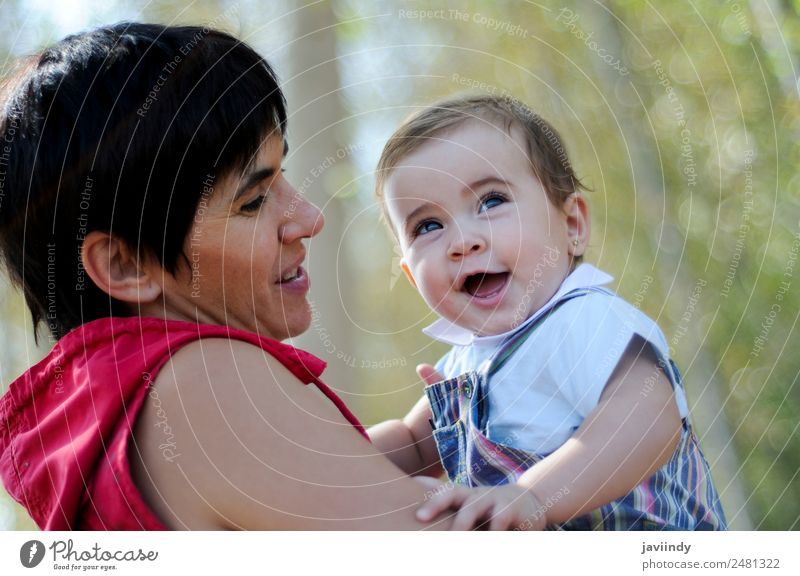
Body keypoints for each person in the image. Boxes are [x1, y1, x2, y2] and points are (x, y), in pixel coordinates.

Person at [0, 22, 453, 531]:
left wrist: (427, 442)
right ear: (125, 266)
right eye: (254, 201)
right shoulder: (205, 382)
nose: (309, 219)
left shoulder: (113, 417)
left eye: (284, 176)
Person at [368, 94, 727, 530]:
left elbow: (647, 415)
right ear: (410, 275)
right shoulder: (463, 365)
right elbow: (413, 445)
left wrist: (534, 494)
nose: (462, 241)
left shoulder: (584, 320)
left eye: (491, 201)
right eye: (428, 226)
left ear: (572, 226)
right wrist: (327, 461)